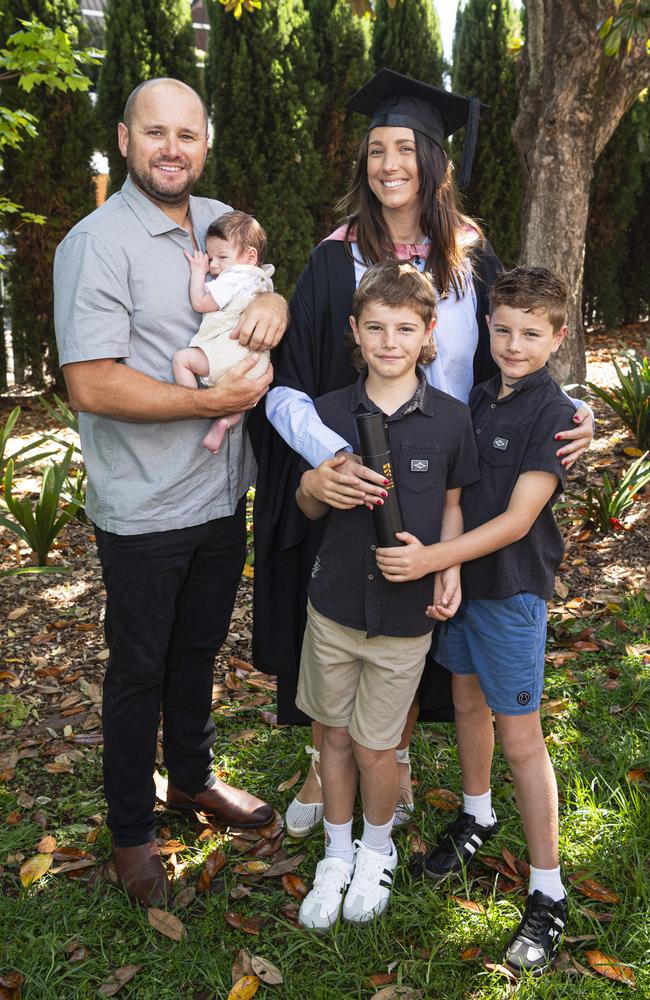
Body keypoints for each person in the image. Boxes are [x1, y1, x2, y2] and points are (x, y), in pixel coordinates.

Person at [249, 68, 594, 838]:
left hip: (449, 486)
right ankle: (327, 760)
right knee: (345, 619)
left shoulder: (470, 257)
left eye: (405, 147)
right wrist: (335, 458)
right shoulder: (333, 259)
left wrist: (580, 410)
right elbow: (285, 386)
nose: (388, 164)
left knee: (418, 624)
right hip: (359, 481)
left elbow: (519, 355)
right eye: (375, 150)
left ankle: (392, 760)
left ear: (434, 159)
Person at [53, 78, 287, 907]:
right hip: (146, 505)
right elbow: (90, 382)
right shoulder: (96, 242)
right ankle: (130, 831)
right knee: (139, 668)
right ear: (124, 138)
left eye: (187, 134)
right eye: (156, 132)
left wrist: (280, 305)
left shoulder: (224, 222)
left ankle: (190, 778)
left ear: (205, 142)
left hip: (223, 493)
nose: (172, 148)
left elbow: (257, 296)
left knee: (198, 651)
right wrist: (206, 402)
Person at [377, 266, 572, 975]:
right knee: (463, 698)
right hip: (463, 587)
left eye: (530, 333)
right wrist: (449, 569)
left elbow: (520, 519)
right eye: (502, 329)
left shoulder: (554, 414)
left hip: (512, 591)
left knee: (521, 737)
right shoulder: (482, 396)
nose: (513, 344)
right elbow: (462, 491)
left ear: (557, 336)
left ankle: (548, 891)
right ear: (486, 327)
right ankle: (477, 812)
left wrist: (433, 557)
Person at [295, 260, 479, 930]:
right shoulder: (327, 412)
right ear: (355, 330)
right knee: (333, 737)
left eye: (406, 327)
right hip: (336, 607)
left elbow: (455, 507)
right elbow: (304, 507)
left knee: (376, 747)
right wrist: (318, 487)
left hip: (405, 620)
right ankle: (336, 854)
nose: (390, 341)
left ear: (429, 333)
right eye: (376, 327)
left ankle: (377, 849)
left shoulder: (453, 421)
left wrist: (449, 568)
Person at [173, 211, 275, 454]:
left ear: (250, 256)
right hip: (256, 364)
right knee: (239, 400)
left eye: (221, 257)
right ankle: (225, 422)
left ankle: (193, 404)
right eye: (209, 258)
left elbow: (201, 302)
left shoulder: (235, 277)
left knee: (182, 360)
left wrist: (198, 271)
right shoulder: (264, 280)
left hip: (229, 353)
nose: (214, 265)